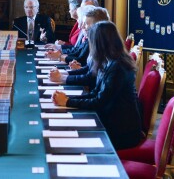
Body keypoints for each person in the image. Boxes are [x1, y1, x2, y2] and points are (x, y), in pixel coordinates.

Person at [52, 21, 143, 150]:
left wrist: (68, 102)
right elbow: (96, 93)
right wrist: (67, 99)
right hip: (110, 119)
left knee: (68, 135)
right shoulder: (108, 60)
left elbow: (100, 101)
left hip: (121, 131)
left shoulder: (118, 67)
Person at [45, 6, 110, 66]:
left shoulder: (99, 42)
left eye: (86, 24)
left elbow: (82, 60)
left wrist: (60, 56)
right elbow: (77, 52)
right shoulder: (91, 39)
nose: (81, 27)